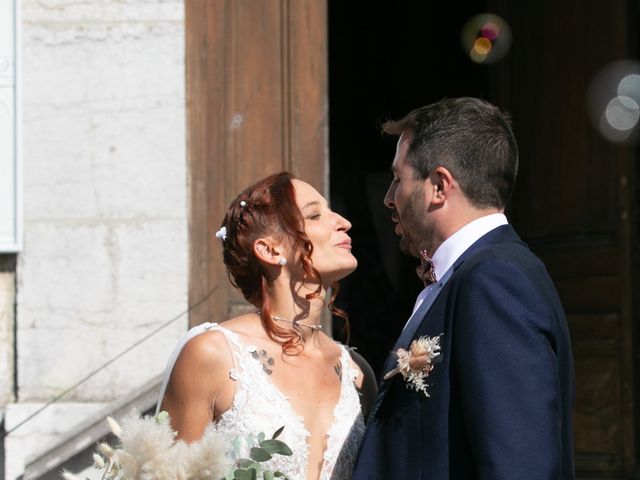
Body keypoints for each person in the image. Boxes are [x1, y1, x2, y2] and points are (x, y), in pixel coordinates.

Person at [352, 97, 575, 479]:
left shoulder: (494, 280)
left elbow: (519, 466)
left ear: (439, 185)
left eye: (398, 179)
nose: (389, 198)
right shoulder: (474, 273)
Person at [157, 172, 377, 480]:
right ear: (271, 250)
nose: (342, 221)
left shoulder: (357, 373)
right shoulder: (213, 354)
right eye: (315, 214)